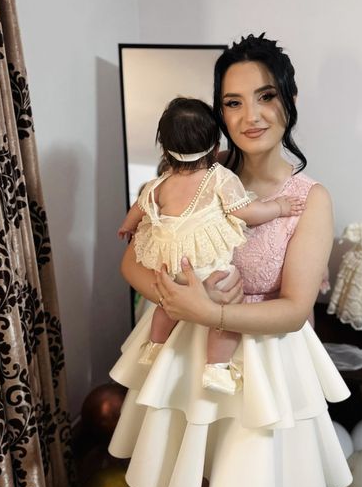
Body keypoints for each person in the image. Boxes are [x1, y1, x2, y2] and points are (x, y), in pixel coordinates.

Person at [109, 34, 352, 487]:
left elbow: (295, 310)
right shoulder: (196, 172)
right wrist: (179, 300)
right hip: (188, 362)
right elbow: (131, 262)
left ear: (288, 100)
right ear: (218, 112)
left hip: (259, 372)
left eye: (265, 97)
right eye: (233, 102)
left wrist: (211, 312)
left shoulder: (309, 199)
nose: (251, 116)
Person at [117, 96, 304, 394]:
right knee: (227, 310)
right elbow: (246, 212)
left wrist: (127, 225)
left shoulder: (160, 184)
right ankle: (216, 366)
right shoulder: (219, 177)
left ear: (165, 150)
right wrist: (279, 207)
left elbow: (139, 208)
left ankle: (155, 346)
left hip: (174, 269)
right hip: (207, 269)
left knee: (165, 308)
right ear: (216, 148)